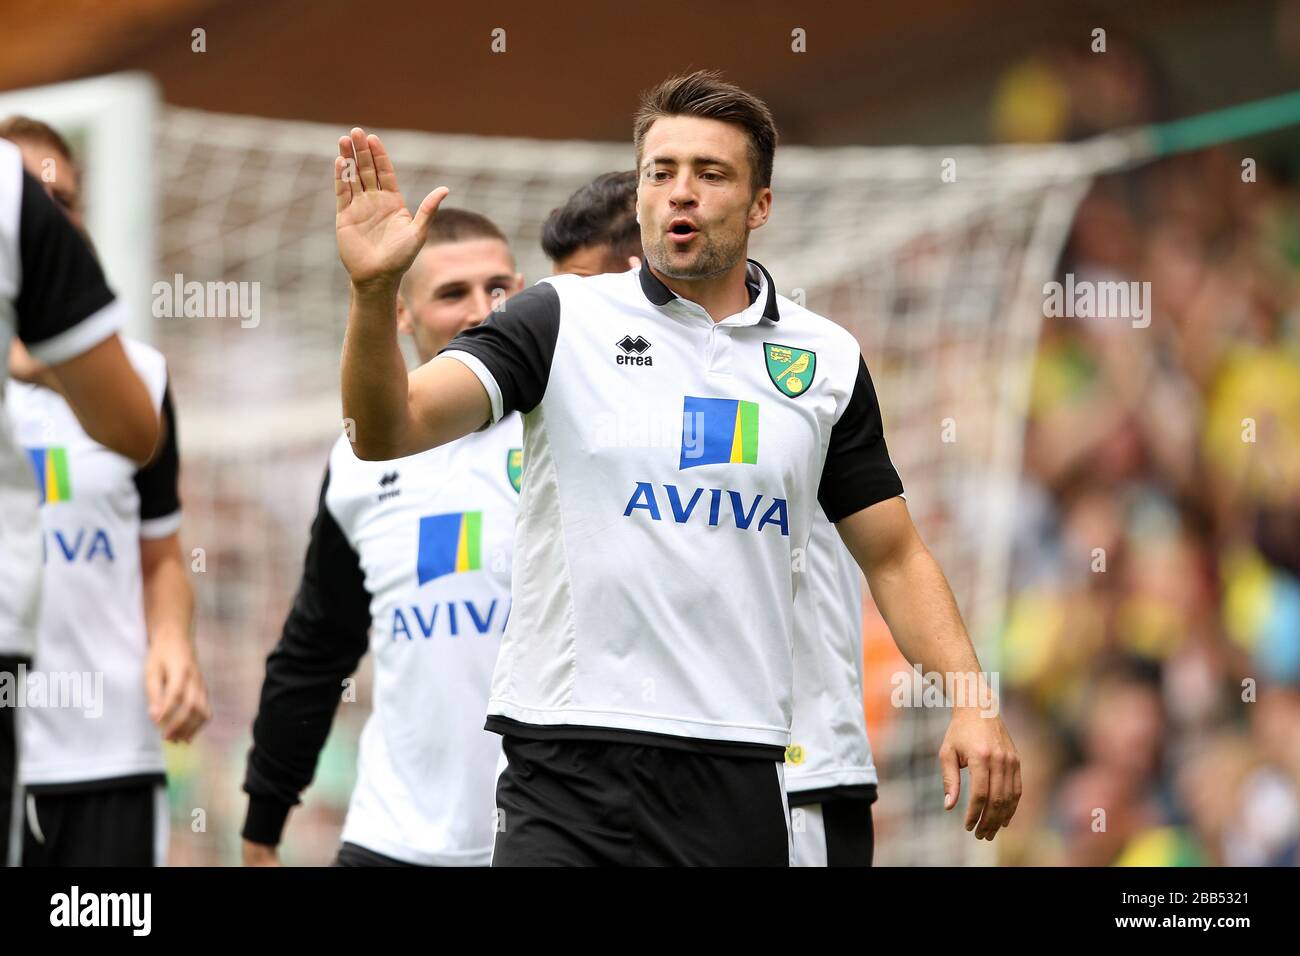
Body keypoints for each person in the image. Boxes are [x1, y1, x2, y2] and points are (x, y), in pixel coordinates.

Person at [333, 70, 1020, 865]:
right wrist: (373, 292)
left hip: (739, 771)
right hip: (565, 767)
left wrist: (971, 700)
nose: (679, 192)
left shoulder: (823, 360)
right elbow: (384, 429)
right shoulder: (557, 318)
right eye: (661, 173)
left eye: (710, 173)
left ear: (761, 204)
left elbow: (895, 555)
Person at [242, 210, 525, 866]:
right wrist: (263, 825)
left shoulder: (565, 427)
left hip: (541, 837)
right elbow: (316, 648)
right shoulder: (359, 460)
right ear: (402, 314)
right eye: (453, 293)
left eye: (499, 289)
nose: (482, 310)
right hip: (389, 839)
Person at [2, 116, 207, 867]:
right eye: (27, 197)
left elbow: (160, 553)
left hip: (106, 756)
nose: (46, 215)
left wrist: (173, 641)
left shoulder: (142, 380)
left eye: (64, 200)